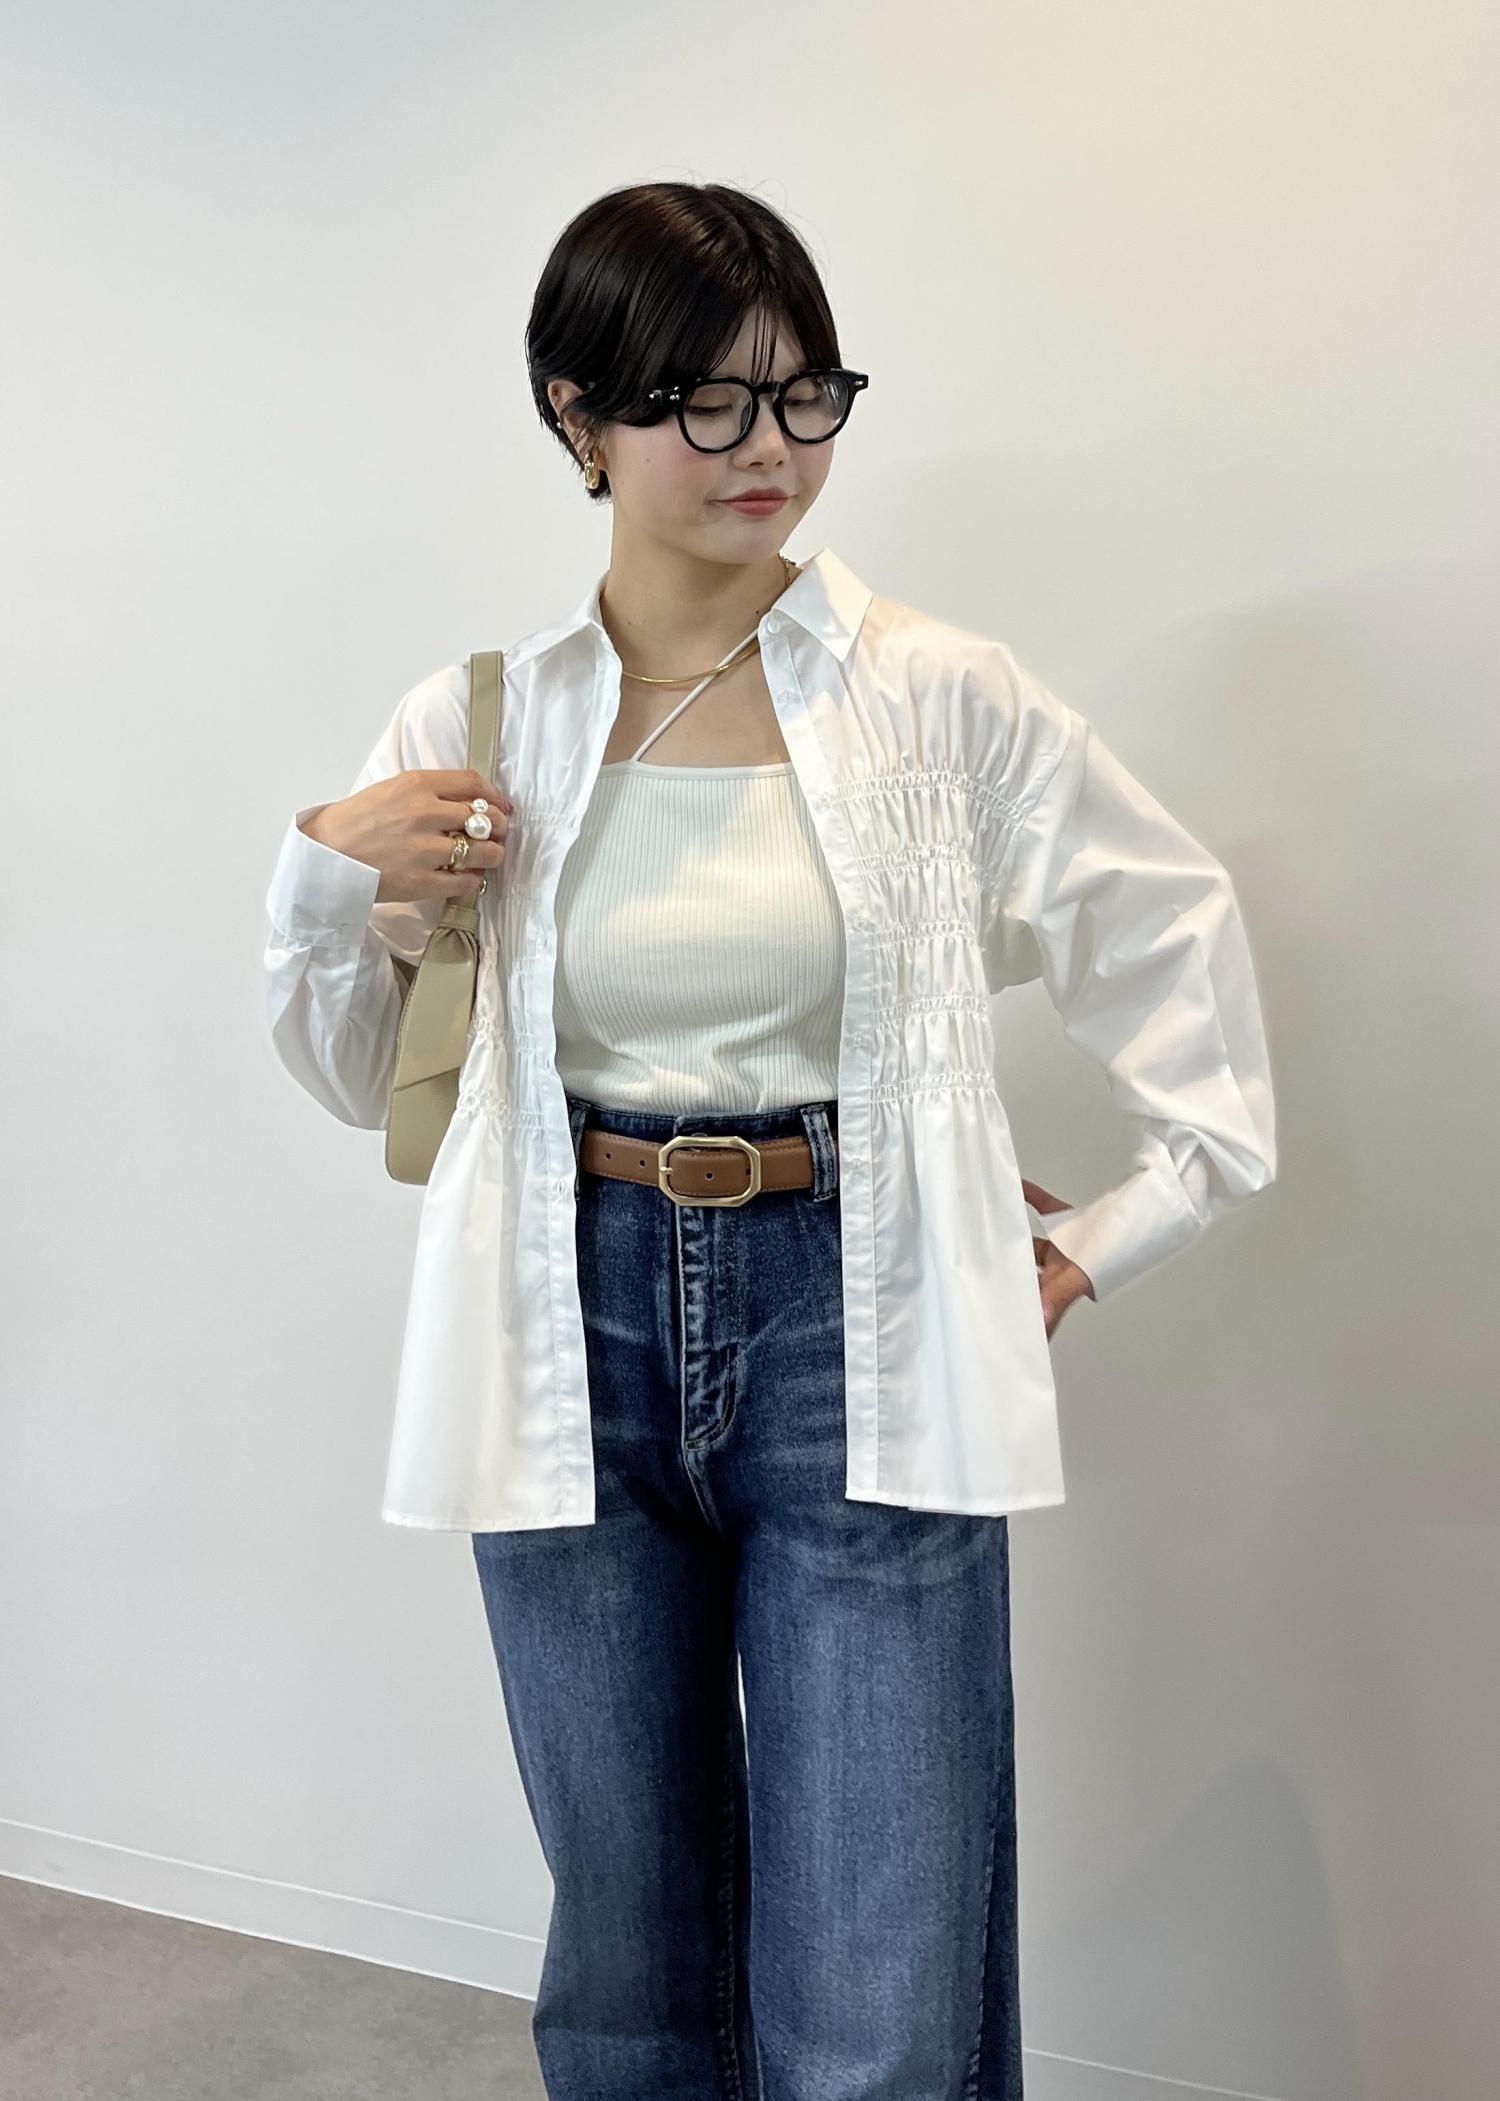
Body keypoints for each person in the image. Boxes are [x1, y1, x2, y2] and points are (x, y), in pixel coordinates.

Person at [263, 180, 1276, 2099]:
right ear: (578, 414)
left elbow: (1173, 943)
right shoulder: (484, 724)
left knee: (879, 1974)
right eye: (708, 402)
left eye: (807, 395)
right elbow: (354, 1078)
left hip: (855, 1310)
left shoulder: (937, 697)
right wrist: (331, 883)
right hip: (562, 1310)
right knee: (628, 1953)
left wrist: (1099, 1240)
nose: (772, 450)